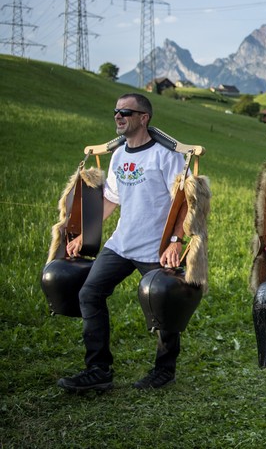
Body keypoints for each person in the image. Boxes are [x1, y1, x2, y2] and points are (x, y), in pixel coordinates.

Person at [58, 93, 187, 392]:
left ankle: (164, 371)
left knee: (163, 305)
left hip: (156, 247)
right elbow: (111, 200)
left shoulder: (167, 156)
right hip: (121, 244)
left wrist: (176, 241)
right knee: (89, 293)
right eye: (116, 111)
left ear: (144, 118)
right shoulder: (119, 156)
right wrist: (84, 235)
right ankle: (98, 369)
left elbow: (184, 202)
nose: (118, 116)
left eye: (126, 112)